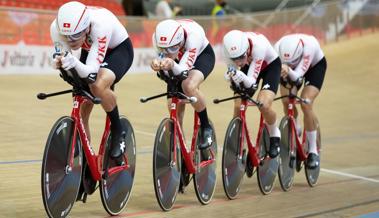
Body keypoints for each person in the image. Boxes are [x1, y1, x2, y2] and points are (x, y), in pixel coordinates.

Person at [50, 1, 134, 161]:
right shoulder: (56, 28)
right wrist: (60, 63)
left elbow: (90, 72)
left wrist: (74, 63)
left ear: (87, 27)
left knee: (97, 85)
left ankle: (118, 129)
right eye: (66, 36)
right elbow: (63, 56)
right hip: (90, 48)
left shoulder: (100, 25)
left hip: (118, 50)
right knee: (82, 102)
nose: (71, 40)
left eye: (75, 35)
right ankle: (86, 161)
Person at [150, 19, 215, 150]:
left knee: (188, 86)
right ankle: (182, 151)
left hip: (201, 55)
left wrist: (172, 64)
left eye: (172, 48)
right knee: (173, 106)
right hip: (179, 58)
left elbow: (183, 71)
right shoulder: (158, 37)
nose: (167, 52)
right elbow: (166, 67)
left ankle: (206, 126)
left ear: (179, 42)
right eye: (163, 49)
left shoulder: (193, 37)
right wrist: (158, 65)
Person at [223, 30, 281, 158]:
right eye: (234, 59)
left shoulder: (258, 47)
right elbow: (233, 70)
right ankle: (239, 142)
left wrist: (239, 75)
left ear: (247, 48)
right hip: (249, 67)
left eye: (241, 57)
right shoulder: (229, 50)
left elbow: (251, 83)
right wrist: (230, 76)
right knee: (238, 104)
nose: (238, 62)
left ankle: (274, 133)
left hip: (270, 67)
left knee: (263, 104)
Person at [274, 34, 327, 169]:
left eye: (293, 61)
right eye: (288, 62)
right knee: (286, 100)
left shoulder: (309, 46)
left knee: (305, 102)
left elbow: (297, 76)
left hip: (313, 67)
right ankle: (295, 125)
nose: (291, 63)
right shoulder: (277, 47)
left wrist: (288, 68)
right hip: (287, 70)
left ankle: (313, 151)